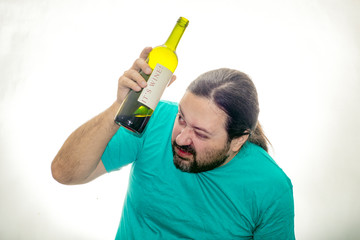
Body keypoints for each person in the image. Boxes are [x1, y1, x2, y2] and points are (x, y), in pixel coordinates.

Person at [51, 47, 295, 239]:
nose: (181, 137)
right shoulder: (155, 120)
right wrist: (120, 109)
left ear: (238, 140)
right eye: (181, 118)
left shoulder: (271, 188)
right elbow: (64, 173)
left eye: (200, 133)